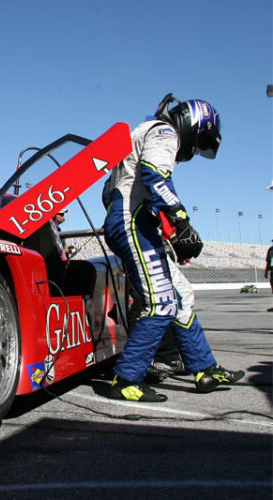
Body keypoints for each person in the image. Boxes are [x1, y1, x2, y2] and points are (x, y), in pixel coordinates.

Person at [101, 93, 244, 402]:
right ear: (194, 124)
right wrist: (181, 222)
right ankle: (126, 380)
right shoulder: (165, 132)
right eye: (201, 138)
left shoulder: (143, 131)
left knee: (180, 297)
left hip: (133, 222)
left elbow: (110, 191)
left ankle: (204, 370)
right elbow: (155, 174)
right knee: (161, 302)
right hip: (133, 224)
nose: (195, 148)